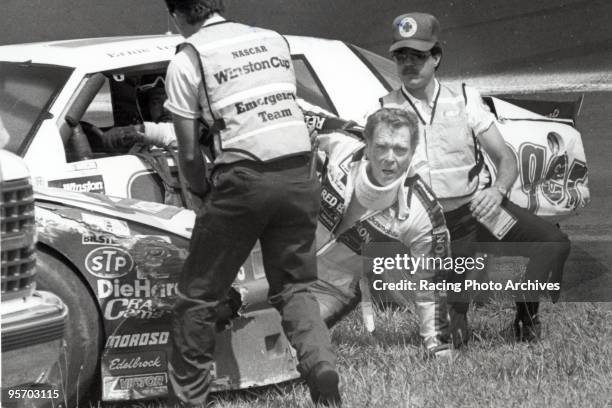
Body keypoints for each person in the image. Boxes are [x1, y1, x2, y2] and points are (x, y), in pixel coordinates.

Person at [160, 0, 340, 406]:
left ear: (175, 14)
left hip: (244, 178)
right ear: (220, 3)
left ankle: (188, 400)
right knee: (295, 287)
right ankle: (323, 374)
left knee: (199, 294)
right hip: (299, 173)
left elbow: (188, 154)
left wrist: (202, 193)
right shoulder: (272, 40)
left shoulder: (188, 60)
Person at [380, 12, 570, 344]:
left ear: (436, 57)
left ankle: (525, 320)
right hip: (435, 229)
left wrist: (497, 190)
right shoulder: (385, 110)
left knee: (551, 244)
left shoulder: (464, 97)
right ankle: (455, 316)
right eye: (401, 57)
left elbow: (504, 157)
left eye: (418, 56)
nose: (408, 64)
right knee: (455, 337)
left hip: (479, 210)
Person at [310, 107, 453, 358]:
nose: (389, 158)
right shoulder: (342, 144)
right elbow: (286, 116)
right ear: (366, 145)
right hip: (278, 259)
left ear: (412, 153)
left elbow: (431, 284)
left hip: (331, 289)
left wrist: (438, 345)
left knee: (273, 343)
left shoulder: (423, 213)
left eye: (400, 150)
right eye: (381, 146)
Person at [102, 77, 177, 151]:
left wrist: (132, 130)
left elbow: (171, 132)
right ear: (147, 109)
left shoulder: (186, 137)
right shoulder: (139, 149)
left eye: (172, 101)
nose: (165, 109)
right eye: (155, 102)